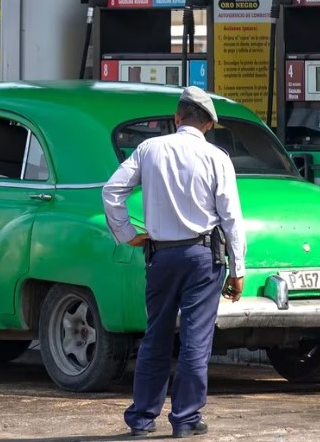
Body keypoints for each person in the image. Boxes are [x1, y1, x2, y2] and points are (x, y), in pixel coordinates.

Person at [102, 86, 246, 439]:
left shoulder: (149, 149)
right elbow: (231, 217)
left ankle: (141, 419)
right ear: (209, 125)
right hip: (202, 258)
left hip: (162, 255)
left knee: (157, 336)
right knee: (196, 339)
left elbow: (111, 192)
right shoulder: (217, 158)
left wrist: (127, 234)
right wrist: (238, 268)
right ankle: (185, 419)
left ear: (177, 118)